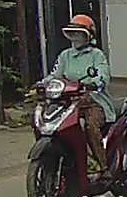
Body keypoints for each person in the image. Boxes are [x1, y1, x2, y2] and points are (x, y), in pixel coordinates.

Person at [48, 14, 115, 181]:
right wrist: (41, 85)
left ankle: (102, 166)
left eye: (80, 34)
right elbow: (55, 75)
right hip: (69, 103)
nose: (76, 37)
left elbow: (103, 75)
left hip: (94, 101)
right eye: (73, 33)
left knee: (90, 126)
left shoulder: (97, 55)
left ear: (89, 36)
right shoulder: (65, 55)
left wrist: (95, 83)